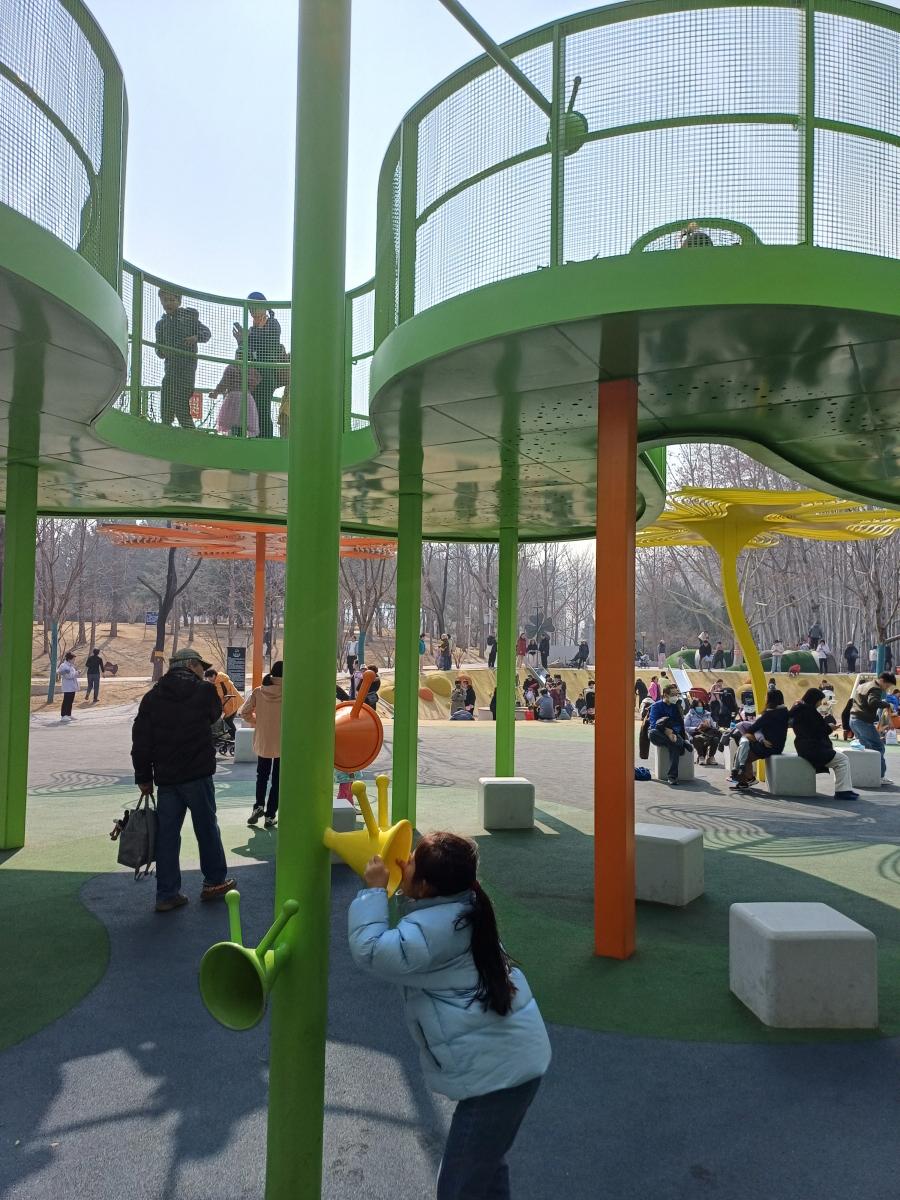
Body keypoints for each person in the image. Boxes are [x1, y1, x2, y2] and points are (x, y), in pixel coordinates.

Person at [348, 832, 551, 1199]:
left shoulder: (433, 931)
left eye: (411, 862)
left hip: (498, 1078)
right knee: (486, 1169)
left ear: (427, 887)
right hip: (513, 1064)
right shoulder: (463, 907)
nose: (402, 862)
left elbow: (372, 950)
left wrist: (374, 892)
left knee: (457, 1187)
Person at [131, 647, 234, 912]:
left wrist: (144, 777)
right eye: (200, 666)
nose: (203, 671)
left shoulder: (152, 697)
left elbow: (141, 740)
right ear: (190, 665)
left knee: (167, 835)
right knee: (207, 829)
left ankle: (167, 893)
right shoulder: (204, 691)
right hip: (198, 774)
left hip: (166, 778)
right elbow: (215, 717)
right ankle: (214, 882)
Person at [154, 288, 211, 428]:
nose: (168, 303)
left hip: (187, 367)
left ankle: (189, 431)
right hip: (171, 367)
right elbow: (158, 347)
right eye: (165, 300)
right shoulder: (161, 324)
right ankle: (165, 427)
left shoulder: (188, 317)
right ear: (161, 301)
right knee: (167, 396)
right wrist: (162, 351)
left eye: (172, 300)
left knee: (181, 402)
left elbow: (206, 333)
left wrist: (196, 337)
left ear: (179, 301)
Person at [789, 688, 859, 799]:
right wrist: (830, 727)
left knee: (839, 760)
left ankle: (845, 789)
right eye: (819, 700)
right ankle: (842, 791)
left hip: (803, 746)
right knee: (842, 760)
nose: (820, 703)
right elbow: (820, 731)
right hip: (813, 748)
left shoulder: (798, 709)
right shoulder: (810, 711)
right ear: (814, 699)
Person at [235, 292, 286, 438]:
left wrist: (256, 331)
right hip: (251, 376)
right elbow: (248, 353)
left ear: (264, 307)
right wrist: (241, 341)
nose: (252, 311)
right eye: (250, 308)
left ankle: (265, 439)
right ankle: (246, 436)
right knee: (248, 409)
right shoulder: (252, 329)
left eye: (255, 307)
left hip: (266, 375)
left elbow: (267, 349)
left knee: (262, 410)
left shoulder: (273, 324)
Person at [240, 661, 284, 828]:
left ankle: (258, 806)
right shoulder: (290, 691)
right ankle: (270, 815)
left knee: (262, 776)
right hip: (283, 742)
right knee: (277, 780)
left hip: (263, 739)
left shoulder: (259, 691)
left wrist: (258, 721)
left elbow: (244, 712)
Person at [729, 689, 789, 789]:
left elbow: (753, 728)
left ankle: (747, 779)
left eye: (766, 697)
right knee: (744, 752)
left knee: (743, 755)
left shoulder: (769, 715)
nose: (765, 699)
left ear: (770, 700)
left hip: (767, 746)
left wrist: (753, 736)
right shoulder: (784, 712)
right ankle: (744, 780)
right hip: (778, 746)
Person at [849, 672, 896, 783]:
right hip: (863, 722)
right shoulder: (876, 688)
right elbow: (873, 702)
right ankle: (879, 776)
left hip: (853, 720)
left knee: (867, 749)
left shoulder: (863, 685)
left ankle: (866, 772)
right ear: (882, 681)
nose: (886, 688)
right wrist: (887, 705)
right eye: (887, 685)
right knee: (878, 747)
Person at [649, 683, 692, 784]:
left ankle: (672, 777)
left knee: (674, 745)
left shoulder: (675, 707)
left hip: (673, 734)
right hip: (659, 733)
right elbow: (653, 724)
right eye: (673, 695)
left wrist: (673, 732)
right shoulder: (656, 706)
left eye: (676, 694)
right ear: (665, 695)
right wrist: (666, 732)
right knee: (652, 733)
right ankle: (682, 742)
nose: (675, 697)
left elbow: (679, 724)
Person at [209, 355, 260, 437]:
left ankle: (233, 436)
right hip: (247, 397)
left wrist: (216, 392)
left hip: (233, 396)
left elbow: (224, 382)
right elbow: (256, 381)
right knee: (244, 421)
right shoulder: (251, 369)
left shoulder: (231, 367)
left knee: (231, 420)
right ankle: (242, 436)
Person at [204, 667, 243, 741]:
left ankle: (236, 738)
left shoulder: (219, 682)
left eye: (209, 678)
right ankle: (233, 736)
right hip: (233, 702)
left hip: (232, 703)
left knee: (227, 721)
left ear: (213, 675)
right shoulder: (220, 679)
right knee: (227, 720)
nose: (209, 680)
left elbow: (219, 696)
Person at [685, 698, 718, 764]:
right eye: (698, 706)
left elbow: (713, 726)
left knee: (715, 739)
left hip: (707, 733)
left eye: (701, 706)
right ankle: (701, 757)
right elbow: (686, 727)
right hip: (695, 733)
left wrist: (708, 725)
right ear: (694, 707)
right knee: (698, 738)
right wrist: (696, 728)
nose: (700, 708)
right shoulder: (689, 715)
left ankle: (711, 757)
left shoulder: (707, 714)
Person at [58, 652, 78, 721]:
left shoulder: (70, 666)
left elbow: (72, 674)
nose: (74, 660)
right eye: (73, 659)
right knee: (66, 701)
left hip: (72, 686)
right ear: (69, 659)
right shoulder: (64, 666)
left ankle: (69, 714)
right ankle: (63, 715)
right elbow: (68, 676)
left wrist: (75, 673)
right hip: (67, 687)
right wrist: (77, 673)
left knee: (70, 701)